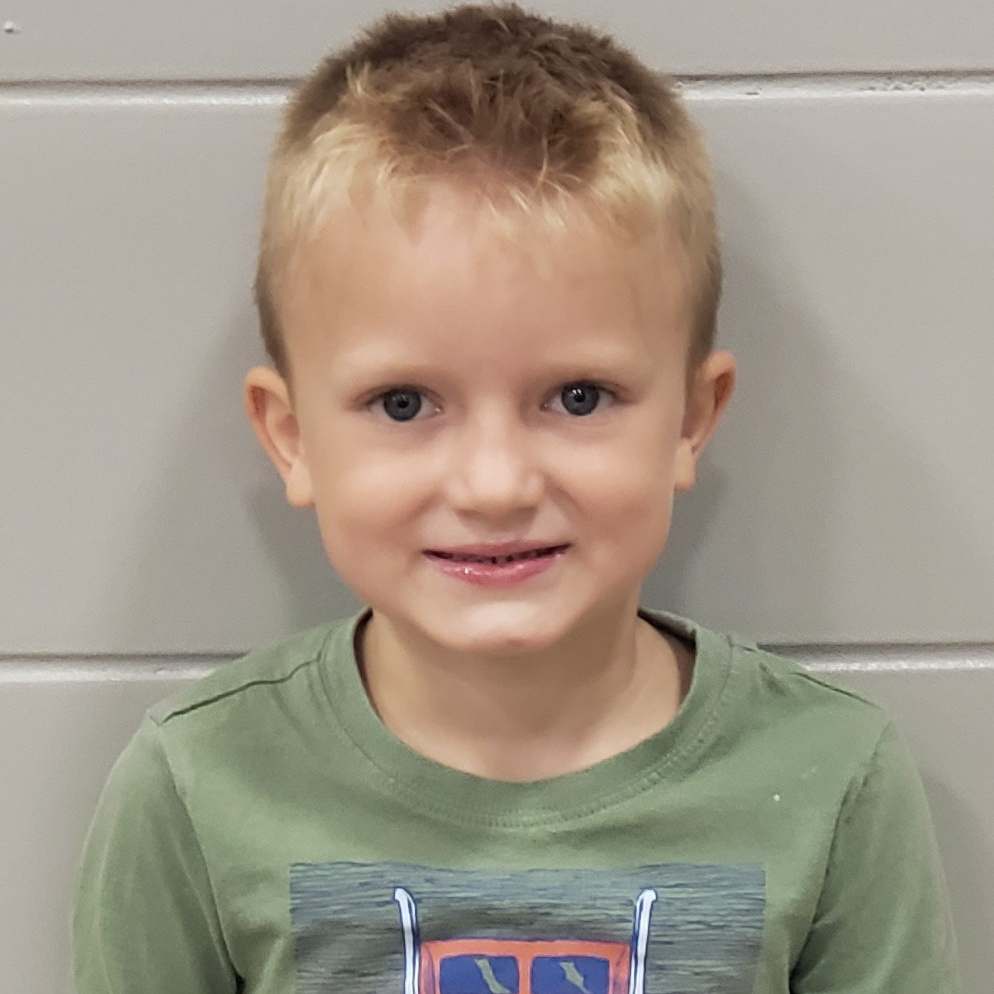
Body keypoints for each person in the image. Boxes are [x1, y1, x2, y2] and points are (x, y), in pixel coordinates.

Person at [72, 4, 959, 992]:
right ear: (291, 438)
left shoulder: (834, 777)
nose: (495, 484)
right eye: (402, 402)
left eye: (578, 397)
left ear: (690, 419)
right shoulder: (197, 786)